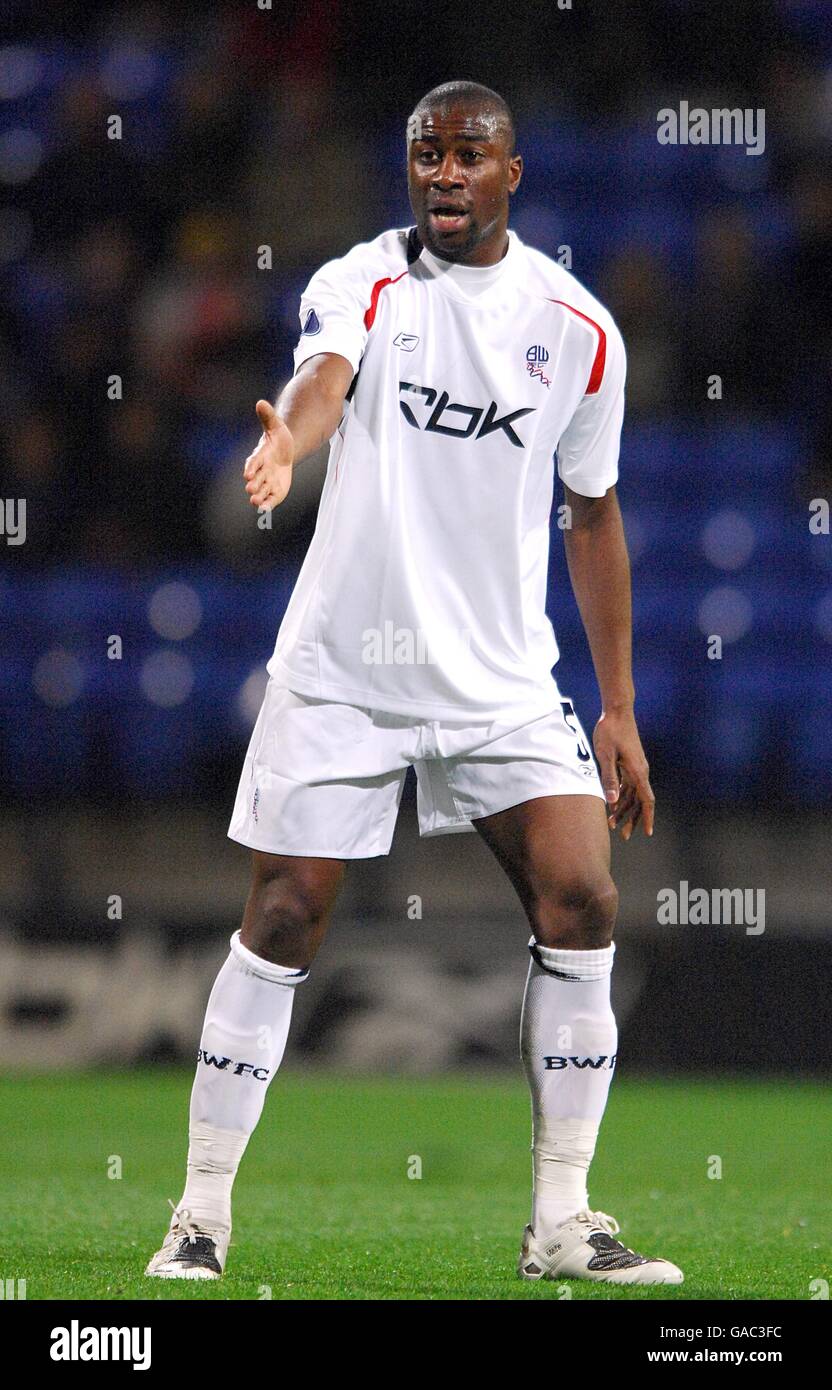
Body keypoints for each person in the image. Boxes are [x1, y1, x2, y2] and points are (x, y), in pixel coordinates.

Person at [146, 80, 682, 1286]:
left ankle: (561, 1223)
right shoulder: (360, 282)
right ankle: (198, 1215)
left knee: (582, 896)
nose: (443, 173)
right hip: (347, 670)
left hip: (496, 678)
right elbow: (323, 380)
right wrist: (288, 435)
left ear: (512, 173)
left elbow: (592, 517)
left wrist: (618, 707)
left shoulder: (577, 326)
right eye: (425, 154)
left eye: (467, 155)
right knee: (281, 917)